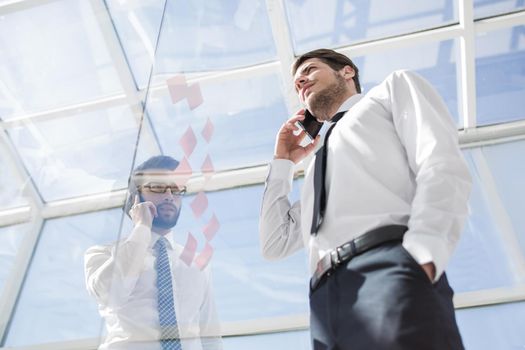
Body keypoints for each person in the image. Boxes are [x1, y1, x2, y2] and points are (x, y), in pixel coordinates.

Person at [259, 49, 472, 349]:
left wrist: (423, 256)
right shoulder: (318, 164)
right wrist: (283, 162)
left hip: (389, 267)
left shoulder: (390, 92)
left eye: (309, 69)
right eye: (296, 83)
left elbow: (440, 162)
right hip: (324, 299)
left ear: (347, 72)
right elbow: (274, 242)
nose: (301, 82)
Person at [85, 155, 222, 350]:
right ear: (135, 198)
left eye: (176, 190)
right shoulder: (102, 254)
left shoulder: (198, 262)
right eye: (158, 187)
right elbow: (113, 294)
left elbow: (211, 337)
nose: (169, 195)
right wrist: (141, 227)